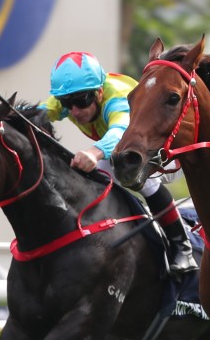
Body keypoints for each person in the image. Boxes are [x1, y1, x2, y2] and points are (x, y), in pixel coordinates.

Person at [44, 50, 197, 276]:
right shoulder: (70, 96)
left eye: (82, 100)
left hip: (163, 153)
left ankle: (182, 247)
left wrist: (94, 152)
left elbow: (119, 131)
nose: (75, 110)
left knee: (136, 177)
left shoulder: (116, 97)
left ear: (98, 92)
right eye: (67, 102)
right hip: (126, 151)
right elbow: (36, 113)